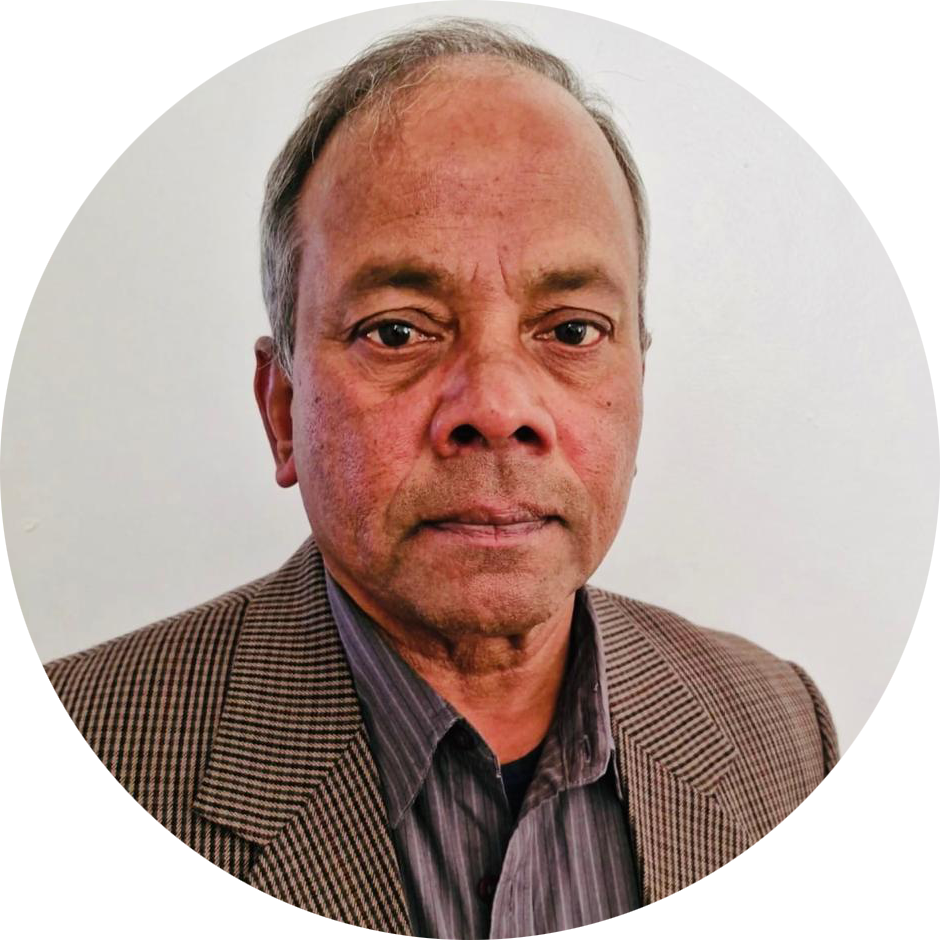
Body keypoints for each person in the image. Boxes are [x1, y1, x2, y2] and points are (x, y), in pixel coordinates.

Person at [0, 17, 848, 940]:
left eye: (571, 330)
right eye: (399, 330)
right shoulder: (31, 783)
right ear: (282, 409)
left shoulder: (774, 730)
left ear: (638, 382)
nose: (498, 406)